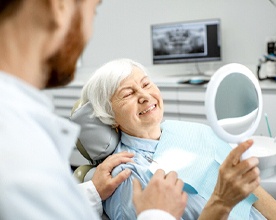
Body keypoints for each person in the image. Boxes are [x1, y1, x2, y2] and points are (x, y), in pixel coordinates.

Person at [0, 1, 187, 219]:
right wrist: (157, 214)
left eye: (146, 84)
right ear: (59, 6)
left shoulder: (20, 133)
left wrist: (92, 191)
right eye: (94, 9)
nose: (144, 96)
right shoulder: (16, 152)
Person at [80, 58, 276, 220]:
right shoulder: (126, 176)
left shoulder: (194, 131)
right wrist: (221, 201)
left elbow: (253, 191)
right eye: (127, 94)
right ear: (109, 115)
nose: (144, 96)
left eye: (146, 84)